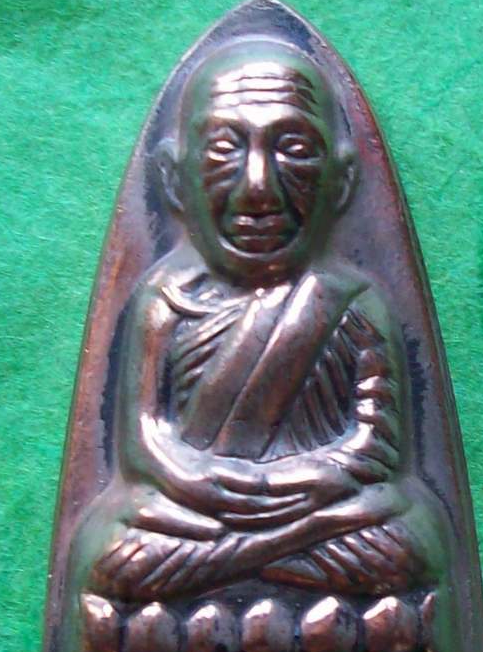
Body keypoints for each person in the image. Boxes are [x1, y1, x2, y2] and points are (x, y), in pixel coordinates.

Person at [67, 38, 445, 609]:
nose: (258, 191)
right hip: (197, 514)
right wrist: (194, 480)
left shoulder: (352, 301)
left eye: (294, 150)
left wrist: (303, 480)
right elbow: (145, 442)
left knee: (409, 543)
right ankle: (263, 567)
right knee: (112, 548)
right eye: (224, 149)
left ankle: (233, 572)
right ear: (174, 178)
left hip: (317, 511)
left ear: (342, 180)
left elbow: (377, 446)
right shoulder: (164, 298)